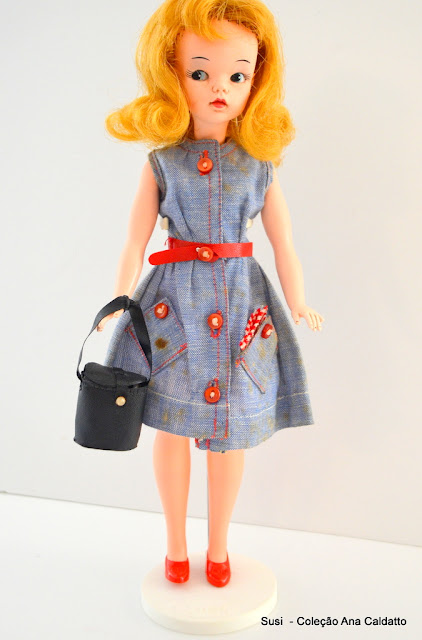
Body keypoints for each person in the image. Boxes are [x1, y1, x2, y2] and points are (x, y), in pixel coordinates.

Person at [96, 0, 324, 587]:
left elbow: (284, 241)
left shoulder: (259, 165)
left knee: (229, 432)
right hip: (173, 305)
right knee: (172, 428)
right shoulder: (161, 164)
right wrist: (116, 299)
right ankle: (176, 546)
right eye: (199, 72)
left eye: (237, 75)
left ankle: (218, 548)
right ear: (170, 75)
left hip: (243, 302)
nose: (219, 87)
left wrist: (297, 300)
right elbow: (133, 239)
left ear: (256, 82)